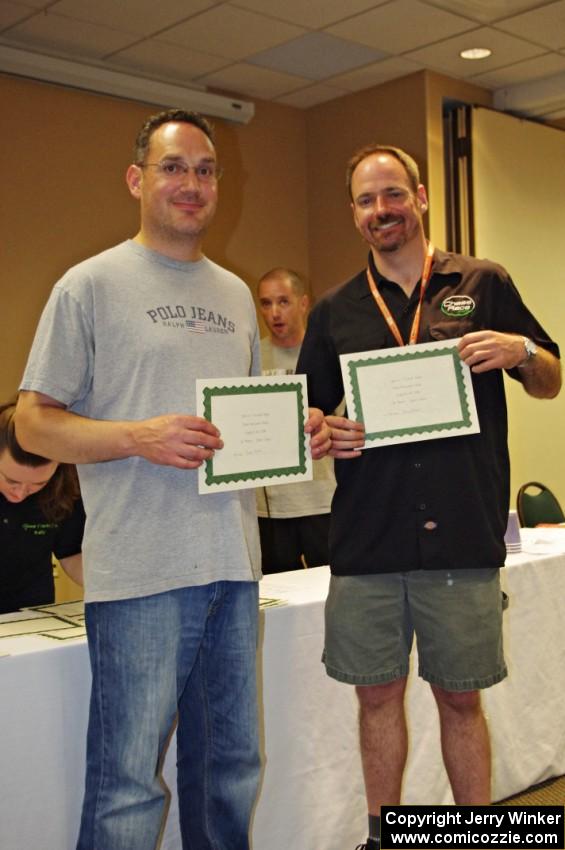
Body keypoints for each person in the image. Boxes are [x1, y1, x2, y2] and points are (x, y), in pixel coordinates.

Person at [15, 109, 329, 850]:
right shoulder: (87, 285)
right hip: (138, 577)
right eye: (172, 167)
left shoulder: (232, 295)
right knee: (128, 788)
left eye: (205, 170)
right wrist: (136, 436)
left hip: (232, 567)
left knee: (228, 771)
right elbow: (33, 423)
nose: (191, 183)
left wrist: (298, 431)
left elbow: (242, 427)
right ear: (136, 179)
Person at [296, 144, 561, 849]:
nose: (379, 210)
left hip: (462, 532)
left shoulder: (484, 282)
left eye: (390, 194)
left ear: (418, 196)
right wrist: (321, 430)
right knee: (375, 695)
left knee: (459, 695)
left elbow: (550, 379)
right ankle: (387, 836)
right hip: (366, 536)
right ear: (352, 212)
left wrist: (522, 351)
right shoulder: (333, 312)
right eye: (363, 200)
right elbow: (309, 419)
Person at [256, 267, 337, 572]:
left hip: (322, 500)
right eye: (266, 303)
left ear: (304, 303)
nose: (274, 312)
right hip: (268, 509)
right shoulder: (250, 357)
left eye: (283, 301)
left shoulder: (327, 354)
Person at [0, 398, 83, 614]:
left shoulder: (65, 489)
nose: (19, 494)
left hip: (32, 616)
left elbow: (71, 553)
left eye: (38, 484)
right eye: (11, 481)